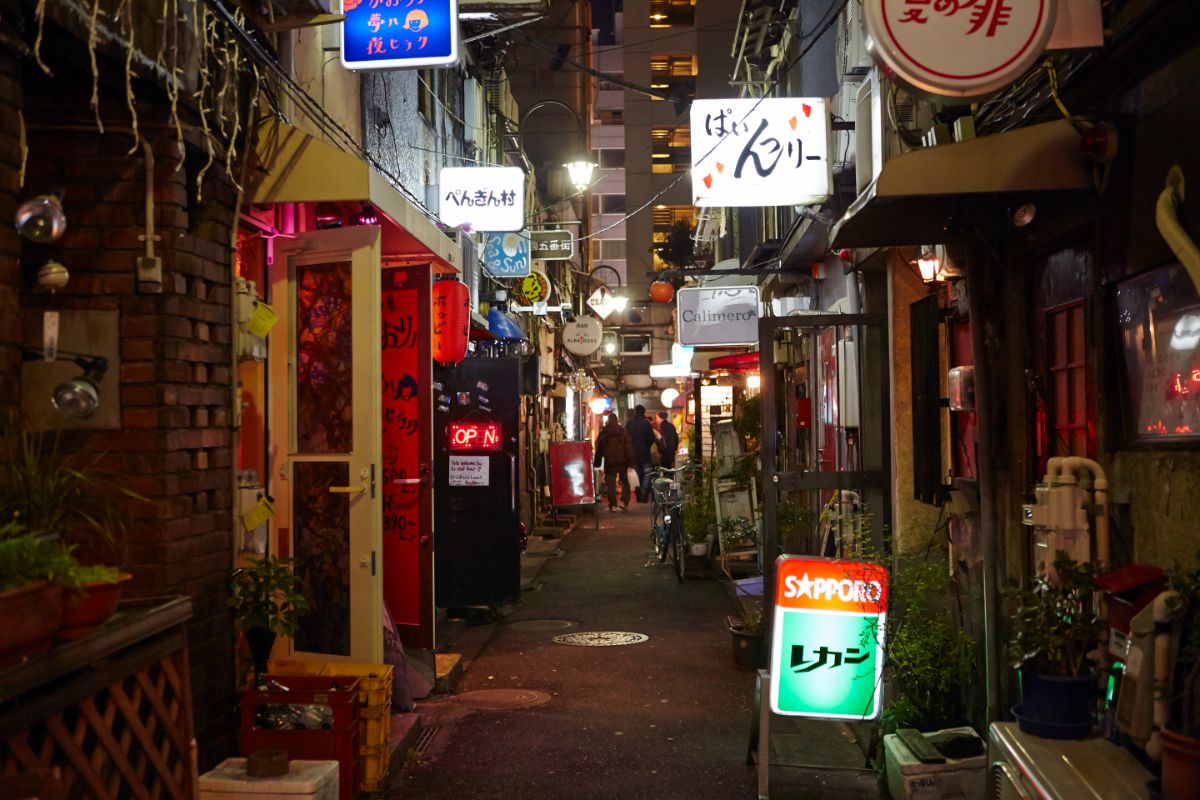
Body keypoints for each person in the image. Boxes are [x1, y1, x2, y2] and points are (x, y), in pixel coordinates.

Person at [593, 413, 634, 511]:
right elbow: (628, 448)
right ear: (617, 420)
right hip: (622, 462)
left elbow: (599, 449)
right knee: (624, 482)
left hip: (610, 463)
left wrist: (597, 463)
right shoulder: (623, 432)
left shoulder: (604, 433)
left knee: (611, 484)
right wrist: (631, 461)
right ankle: (625, 502)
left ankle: (613, 505)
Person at [626, 405, 656, 502]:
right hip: (645, 453)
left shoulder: (629, 423)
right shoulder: (646, 424)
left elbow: (626, 438)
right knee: (647, 473)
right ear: (644, 412)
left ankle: (639, 493)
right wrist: (646, 445)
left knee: (638, 475)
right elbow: (652, 438)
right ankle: (643, 491)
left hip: (633, 453)